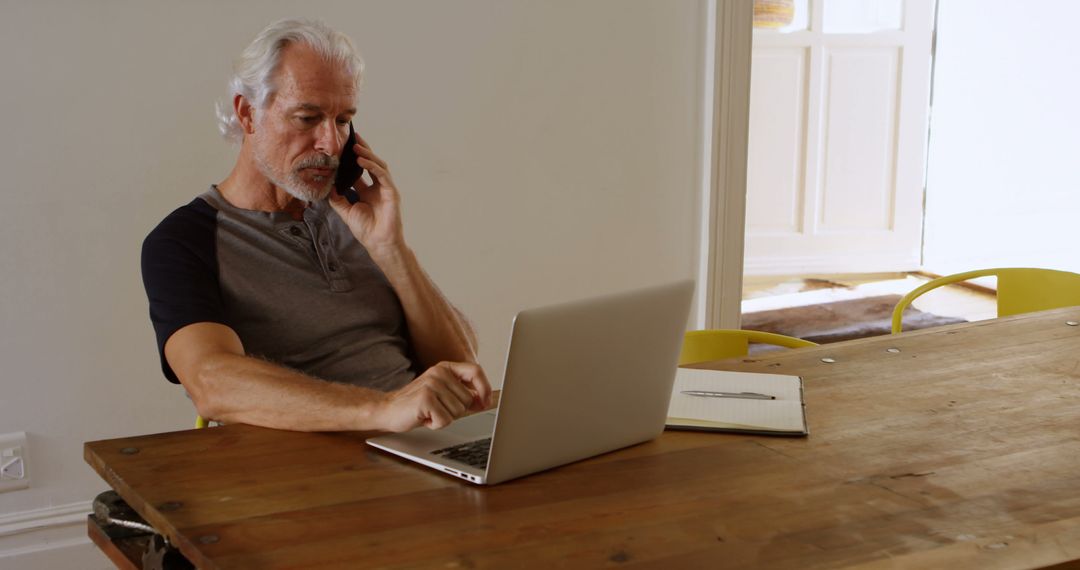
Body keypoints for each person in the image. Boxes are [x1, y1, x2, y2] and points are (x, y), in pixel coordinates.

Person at [140, 19, 491, 432]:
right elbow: (210, 382)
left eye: (343, 120)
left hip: (424, 448)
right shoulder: (184, 241)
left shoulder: (355, 214)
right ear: (248, 113)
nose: (331, 143)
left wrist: (390, 249)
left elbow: (459, 365)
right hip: (311, 470)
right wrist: (383, 409)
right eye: (307, 118)